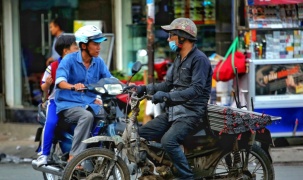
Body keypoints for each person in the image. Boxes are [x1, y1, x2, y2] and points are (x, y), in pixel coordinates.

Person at [132, 18, 213, 179]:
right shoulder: (178, 59)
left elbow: (196, 89)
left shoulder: (199, 59)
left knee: (168, 141)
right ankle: (164, 168)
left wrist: (167, 97)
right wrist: (142, 89)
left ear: (182, 37)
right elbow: (167, 84)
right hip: (174, 113)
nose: (168, 39)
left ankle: (186, 176)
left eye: (171, 36)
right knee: (140, 133)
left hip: (192, 114)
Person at [55, 25, 113, 162]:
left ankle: (94, 151)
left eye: (99, 44)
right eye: (95, 44)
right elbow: (59, 81)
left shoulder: (98, 62)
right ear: (83, 45)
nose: (99, 47)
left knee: (107, 115)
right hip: (68, 104)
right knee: (86, 117)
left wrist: (127, 86)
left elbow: (109, 79)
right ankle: (74, 157)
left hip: (89, 103)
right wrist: (73, 87)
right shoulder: (68, 60)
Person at [36, 35, 79, 167]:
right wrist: (47, 85)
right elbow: (43, 86)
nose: (78, 49)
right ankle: (44, 154)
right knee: (52, 122)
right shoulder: (53, 66)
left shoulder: (78, 65)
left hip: (74, 101)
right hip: (56, 101)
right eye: (75, 47)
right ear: (66, 51)